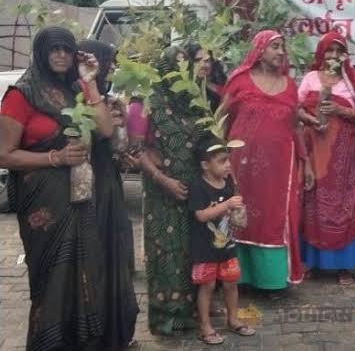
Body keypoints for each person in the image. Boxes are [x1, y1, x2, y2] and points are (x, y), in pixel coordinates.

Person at [0, 27, 114, 350]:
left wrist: (90, 81)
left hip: (79, 198)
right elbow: (3, 154)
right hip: (44, 206)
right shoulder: (21, 95)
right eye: (54, 50)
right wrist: (55, 156)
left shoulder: (76, 90)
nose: (61, 55)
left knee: (86, 270)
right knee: (52, 278)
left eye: (67, 49)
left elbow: (105, 129)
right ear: (41, 54)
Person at [127, 43, 211, 335]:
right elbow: (136, 151)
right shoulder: (145, 100)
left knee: (193, 251)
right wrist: (163, 180)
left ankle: (192, 313)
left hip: (194, 192)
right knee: (166, 253)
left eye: (187, 65)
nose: (186, 70)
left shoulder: (195, 99)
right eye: (180, 65)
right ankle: (166, 317)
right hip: (162, 192)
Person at [222, 30, 312, 293]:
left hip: (279, 168)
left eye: (282, 47)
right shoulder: (239, 81)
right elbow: (220, 118)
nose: (281, 51)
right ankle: (239, 276)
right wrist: (217, 156)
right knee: (241, 213)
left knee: (275, 218)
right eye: (275, 46)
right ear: (260, 50)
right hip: (242, 165)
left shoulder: (290, 86)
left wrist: (306, 162)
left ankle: (271, 280)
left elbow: (295, 127)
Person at [78, 39, 139, 350]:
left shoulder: (109, 99)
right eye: (110, 62)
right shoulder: (76, 98)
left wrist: (120, 127)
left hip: (107, 181)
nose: (114, 67)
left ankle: (116, 331)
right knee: (94, 259)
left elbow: (117, 145)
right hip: (85, 188)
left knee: (116, 254)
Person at [298, 31, 355, 285]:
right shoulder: (309, 78)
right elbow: (295, 110)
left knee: (343, 207)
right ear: (321, 53)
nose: (334, 56)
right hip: (315, 152)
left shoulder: (352, 81)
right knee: (313, 204)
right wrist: (312, 117)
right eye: (330, 50)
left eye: (339, 51)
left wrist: (340, 109)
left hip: (344, 157)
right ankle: (314, 262)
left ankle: (344, 266)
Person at [188, 134, 256, 345]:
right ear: (205, 165)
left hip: (227, 246)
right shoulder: (198, 186)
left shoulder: (227, 184)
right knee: (207, 286)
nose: (228, 165)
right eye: (222, 161)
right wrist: (226, 206)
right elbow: (200, 215)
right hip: (205, 249)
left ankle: (232, 319)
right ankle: (205, 326)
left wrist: (238, 213)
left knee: (230, 284)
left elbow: (232, 212)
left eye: (228, 160)